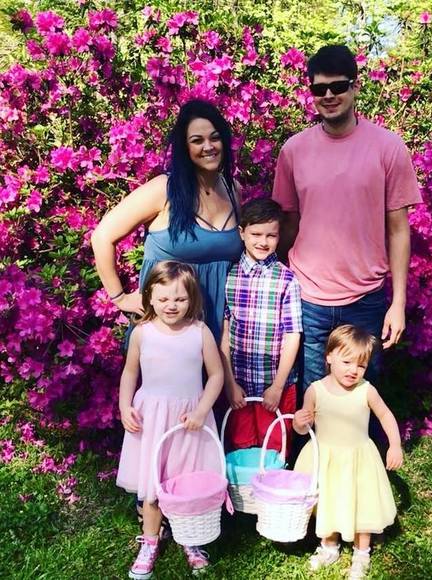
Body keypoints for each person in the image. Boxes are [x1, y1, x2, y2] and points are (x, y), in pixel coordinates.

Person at [272, 45, 422, 389]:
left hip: (366, 300)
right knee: (312, 399)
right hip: (307, 298)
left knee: (358, 401)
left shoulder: (388, 148)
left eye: (338, 86)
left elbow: (399, 231)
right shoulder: (293, 151)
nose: (329, 96)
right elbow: (288, 225)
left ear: (355, 86)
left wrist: (398, 303)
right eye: (319, 88)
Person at [91, 99, 244, 341]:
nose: (208, 146)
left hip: (219, 327)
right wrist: (120, 298)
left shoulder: (233, 189)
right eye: (197, 140)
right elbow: (102, 236)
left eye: (215, 138)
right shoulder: (163, 189)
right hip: (167, 328)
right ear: (185, 147)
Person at [116, 261, 223, 578]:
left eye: (179, 299)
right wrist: (124, 407)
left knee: (186, 483)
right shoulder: (142, 333)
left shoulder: (199, 332)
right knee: (152, 484)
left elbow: (216, 375)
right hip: (152, 419)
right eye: (163, 299)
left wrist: (201, 411)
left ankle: (190, 540)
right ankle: (150, 542)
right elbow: (130, 373)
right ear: (149, 297)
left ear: (192, 298)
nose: (171, 306)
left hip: (189, 420)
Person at [293, 325, 403, 580]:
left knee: (362, 504)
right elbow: (303, 427)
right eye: (346, 362)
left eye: (361, 366)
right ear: (329, 357)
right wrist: (299, 422)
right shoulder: (315, 390)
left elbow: (386, 415)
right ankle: (329, 546)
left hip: (358, 458)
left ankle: (362, 552)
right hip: (326, 458)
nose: (353, 370)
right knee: (328, 500)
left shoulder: (366, 390)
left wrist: (395, 445)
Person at [220, 198, 302, 453]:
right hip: (240, 385)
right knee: (241, 448)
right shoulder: (229, 276)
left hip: (275, 385)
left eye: (271, 235)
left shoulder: (287, 279)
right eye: (256, 234)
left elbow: (292, 335)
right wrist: (230, 383)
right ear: (241, 233)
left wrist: (277, 386)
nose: (263, 242)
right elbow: (224, 333)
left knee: (275, 449)